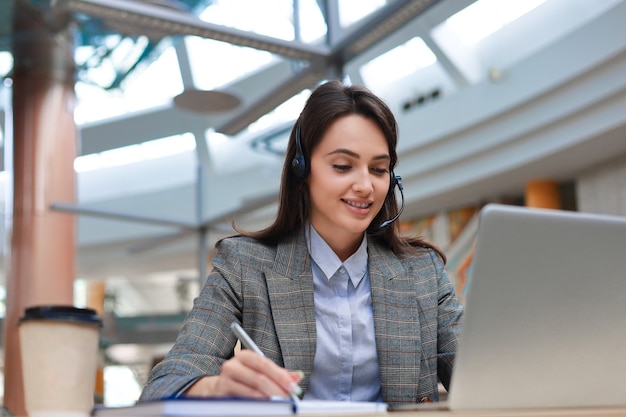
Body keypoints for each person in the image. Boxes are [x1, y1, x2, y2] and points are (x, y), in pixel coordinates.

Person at [139, 80, 464, 406]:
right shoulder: (244, 265)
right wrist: (213, 389)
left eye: (378, 169)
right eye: (343, 166)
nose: (365, 185)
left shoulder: (423, 271)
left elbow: (479, 371)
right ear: (302, 169)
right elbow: (164, 385)